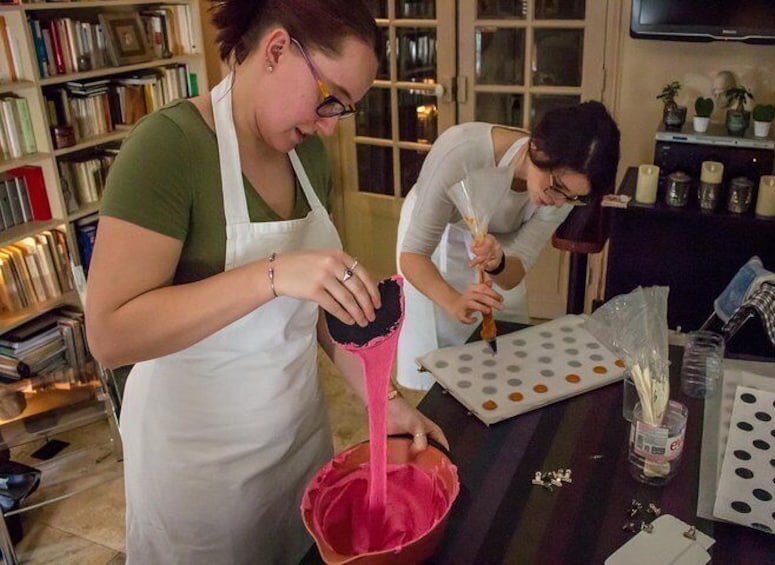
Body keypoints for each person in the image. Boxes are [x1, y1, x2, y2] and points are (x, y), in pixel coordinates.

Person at [84, 1, 446, 563]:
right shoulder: (168, 150)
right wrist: (271, 275)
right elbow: (109, 335)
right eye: (329, 99)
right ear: (277, 50)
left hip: (297, 446)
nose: (327, 124)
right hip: (202, 477)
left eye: (342, 110)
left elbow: (323, 311)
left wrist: (385, 401)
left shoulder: (309, 157)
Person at [396, 102, 621, 390]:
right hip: (438, 238)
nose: (559, 202)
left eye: (574, 197)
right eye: (557, 188)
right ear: (538, 149)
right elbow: (414, 254)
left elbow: (516, 272)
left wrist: (499, 263)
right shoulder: (460, 151)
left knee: (503, 352)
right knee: (439, 359)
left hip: (498, 241)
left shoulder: (564, 192)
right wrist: (453, 301)